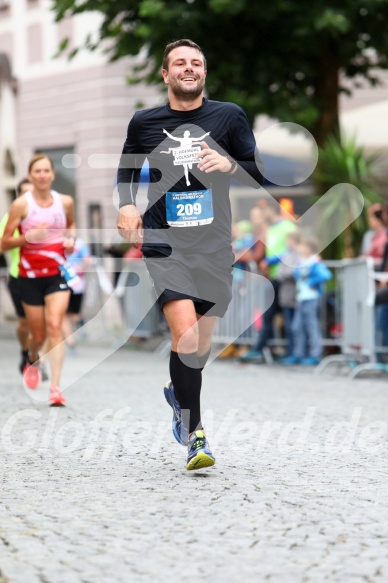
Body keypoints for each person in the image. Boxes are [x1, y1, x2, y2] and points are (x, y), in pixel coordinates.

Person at [116, 38, 263, 470]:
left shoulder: (228, 116)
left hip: (215, 244)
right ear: (165, 74)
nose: (188, 67)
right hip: (165, 243)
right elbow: (125, 171)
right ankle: (195, 434)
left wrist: (232, 166)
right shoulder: (144, 122)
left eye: (196, 62)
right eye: (179, 62)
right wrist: (127, 204)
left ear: (204, 73)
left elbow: (259, 170)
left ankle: (178, 390)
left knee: (198, 348)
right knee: (184, 335)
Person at [1, 153, 76, 406]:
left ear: (52, 174)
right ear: (31, 176)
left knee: (55, 326)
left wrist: (70, 240)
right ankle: (32, 358)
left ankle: (55, 387)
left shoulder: (65, 202)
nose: (42, 175)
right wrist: (28, 237)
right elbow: (4, 243)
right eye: (37, 171)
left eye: (46, 171)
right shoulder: (21, 205)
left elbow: (72, 225)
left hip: (56, 274)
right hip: (29, 277)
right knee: (38, 333)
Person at [239, 197, 296, 363]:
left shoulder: (287, 225)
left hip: (285, 277)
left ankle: (283, 351)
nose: (263, 215)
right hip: (271, 277)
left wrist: (272, 260)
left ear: (272, 209)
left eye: (265, 212)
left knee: (284, 316)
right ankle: (267, 349)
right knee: (268, 315)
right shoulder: (269, 229)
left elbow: (291, 248)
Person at [0, 179, 33, 373]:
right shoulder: (11, 217)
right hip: (18, 276)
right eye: (25, 194)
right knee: (24, 323)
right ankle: (24, 351)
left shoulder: (48, 214)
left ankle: (37, 359)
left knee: (45, 323)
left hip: (46, 275)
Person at [288, 236, 332, 365]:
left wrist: (312, 282)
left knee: (311, 326)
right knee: (297, 326)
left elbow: (325, 275)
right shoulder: (303, 262)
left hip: (311, 298)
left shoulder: (315, 262)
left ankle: (315, 354)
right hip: (301, 298)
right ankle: (299, 353)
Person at [61, 237, 91, 351]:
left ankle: (79, 323)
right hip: (64, 283)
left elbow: (87, 260)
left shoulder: (81, 244)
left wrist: (80, 271)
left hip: (76, 283)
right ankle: (71, 341)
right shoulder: (60, 241)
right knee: (64, 313)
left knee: (73, 314)